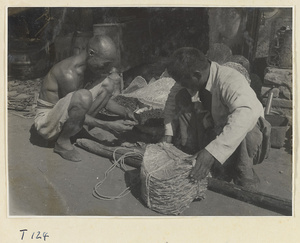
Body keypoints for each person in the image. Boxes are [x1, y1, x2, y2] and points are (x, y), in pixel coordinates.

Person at [162, 47, 271, 189]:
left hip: (245, 138)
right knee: (181, 96)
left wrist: (212, 152)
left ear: (196, 75)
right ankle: (193, 155)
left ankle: (244, 174)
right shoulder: (191, 74)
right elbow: (172, 99)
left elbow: (245, 115)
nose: (181, 85)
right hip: (216, 128)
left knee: (245, 124)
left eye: (184, 81)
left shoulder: (230, 80)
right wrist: (168, 133)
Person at [34, 35, 137, 162]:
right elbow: (78, 104)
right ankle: (62, 143)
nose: (110, 69)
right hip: (47, 123)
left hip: (65, 113)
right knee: (83, 96)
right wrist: (108, 125)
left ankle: (76, 131)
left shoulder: (87, 68)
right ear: (91, 53)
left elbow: (99, 101)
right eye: (106, 64)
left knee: (108, 83)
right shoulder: (68, 74)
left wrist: (125, 112)